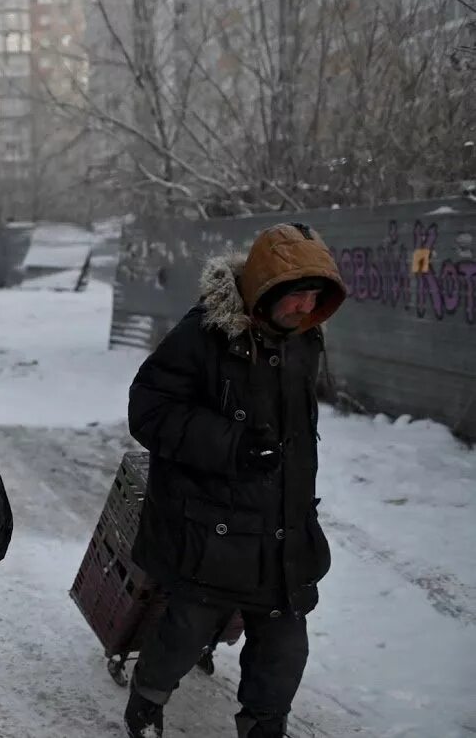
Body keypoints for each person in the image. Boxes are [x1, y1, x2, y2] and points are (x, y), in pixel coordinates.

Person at [123, 223, 347, 738]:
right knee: (186, 630)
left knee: (286, 645)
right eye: (296, 295)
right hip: (210, 525)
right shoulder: (203, 336)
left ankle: (265, 727)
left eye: (315, 296)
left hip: (282, 525)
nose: (305, 306)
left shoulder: (304, 340)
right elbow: (149, 410)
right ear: (265, 291)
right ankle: (146, 702)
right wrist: (233, 444)